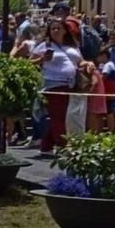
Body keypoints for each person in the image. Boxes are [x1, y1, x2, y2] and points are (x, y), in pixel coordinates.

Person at [33, 18, 83, 154]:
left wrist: (88, 65)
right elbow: (30, 62)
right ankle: (63, 145)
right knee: (58, 116)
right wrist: (42, 59)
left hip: (70, 84)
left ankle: (46, 146)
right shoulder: (44, 46)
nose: (55, 31)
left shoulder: (73, 46)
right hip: (52, 84)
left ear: (65, 30)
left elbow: (80, 62)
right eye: (53, 28)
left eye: (58, 28)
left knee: (61, 115)